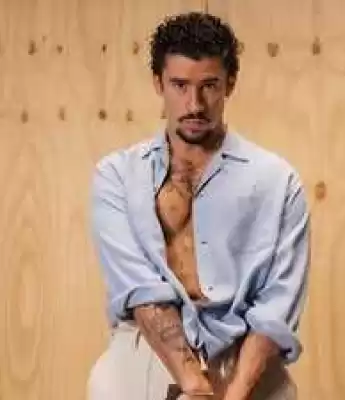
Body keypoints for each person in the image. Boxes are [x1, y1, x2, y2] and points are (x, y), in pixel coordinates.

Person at [87, 11, 310, 400]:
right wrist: (194, 385)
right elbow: (138, 287)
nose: (194, 103)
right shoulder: (118, 177)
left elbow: (277, 304)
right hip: (143, 355)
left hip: (246, 361)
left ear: (230, 84)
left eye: (209, 86)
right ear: (158, 82)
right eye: (179, 85)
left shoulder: (278, 182)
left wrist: (236, 393)